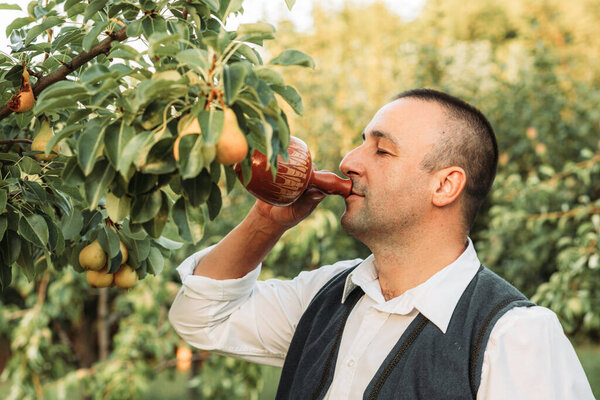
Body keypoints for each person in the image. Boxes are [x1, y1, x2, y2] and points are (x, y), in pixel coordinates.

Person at [169, 89, 594, 399]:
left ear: (445, 185)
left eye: (382, 150)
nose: (349, 161)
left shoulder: (514, 337)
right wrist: (267, 219)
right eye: (361, 142)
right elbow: (201, 317)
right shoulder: (327, 295)